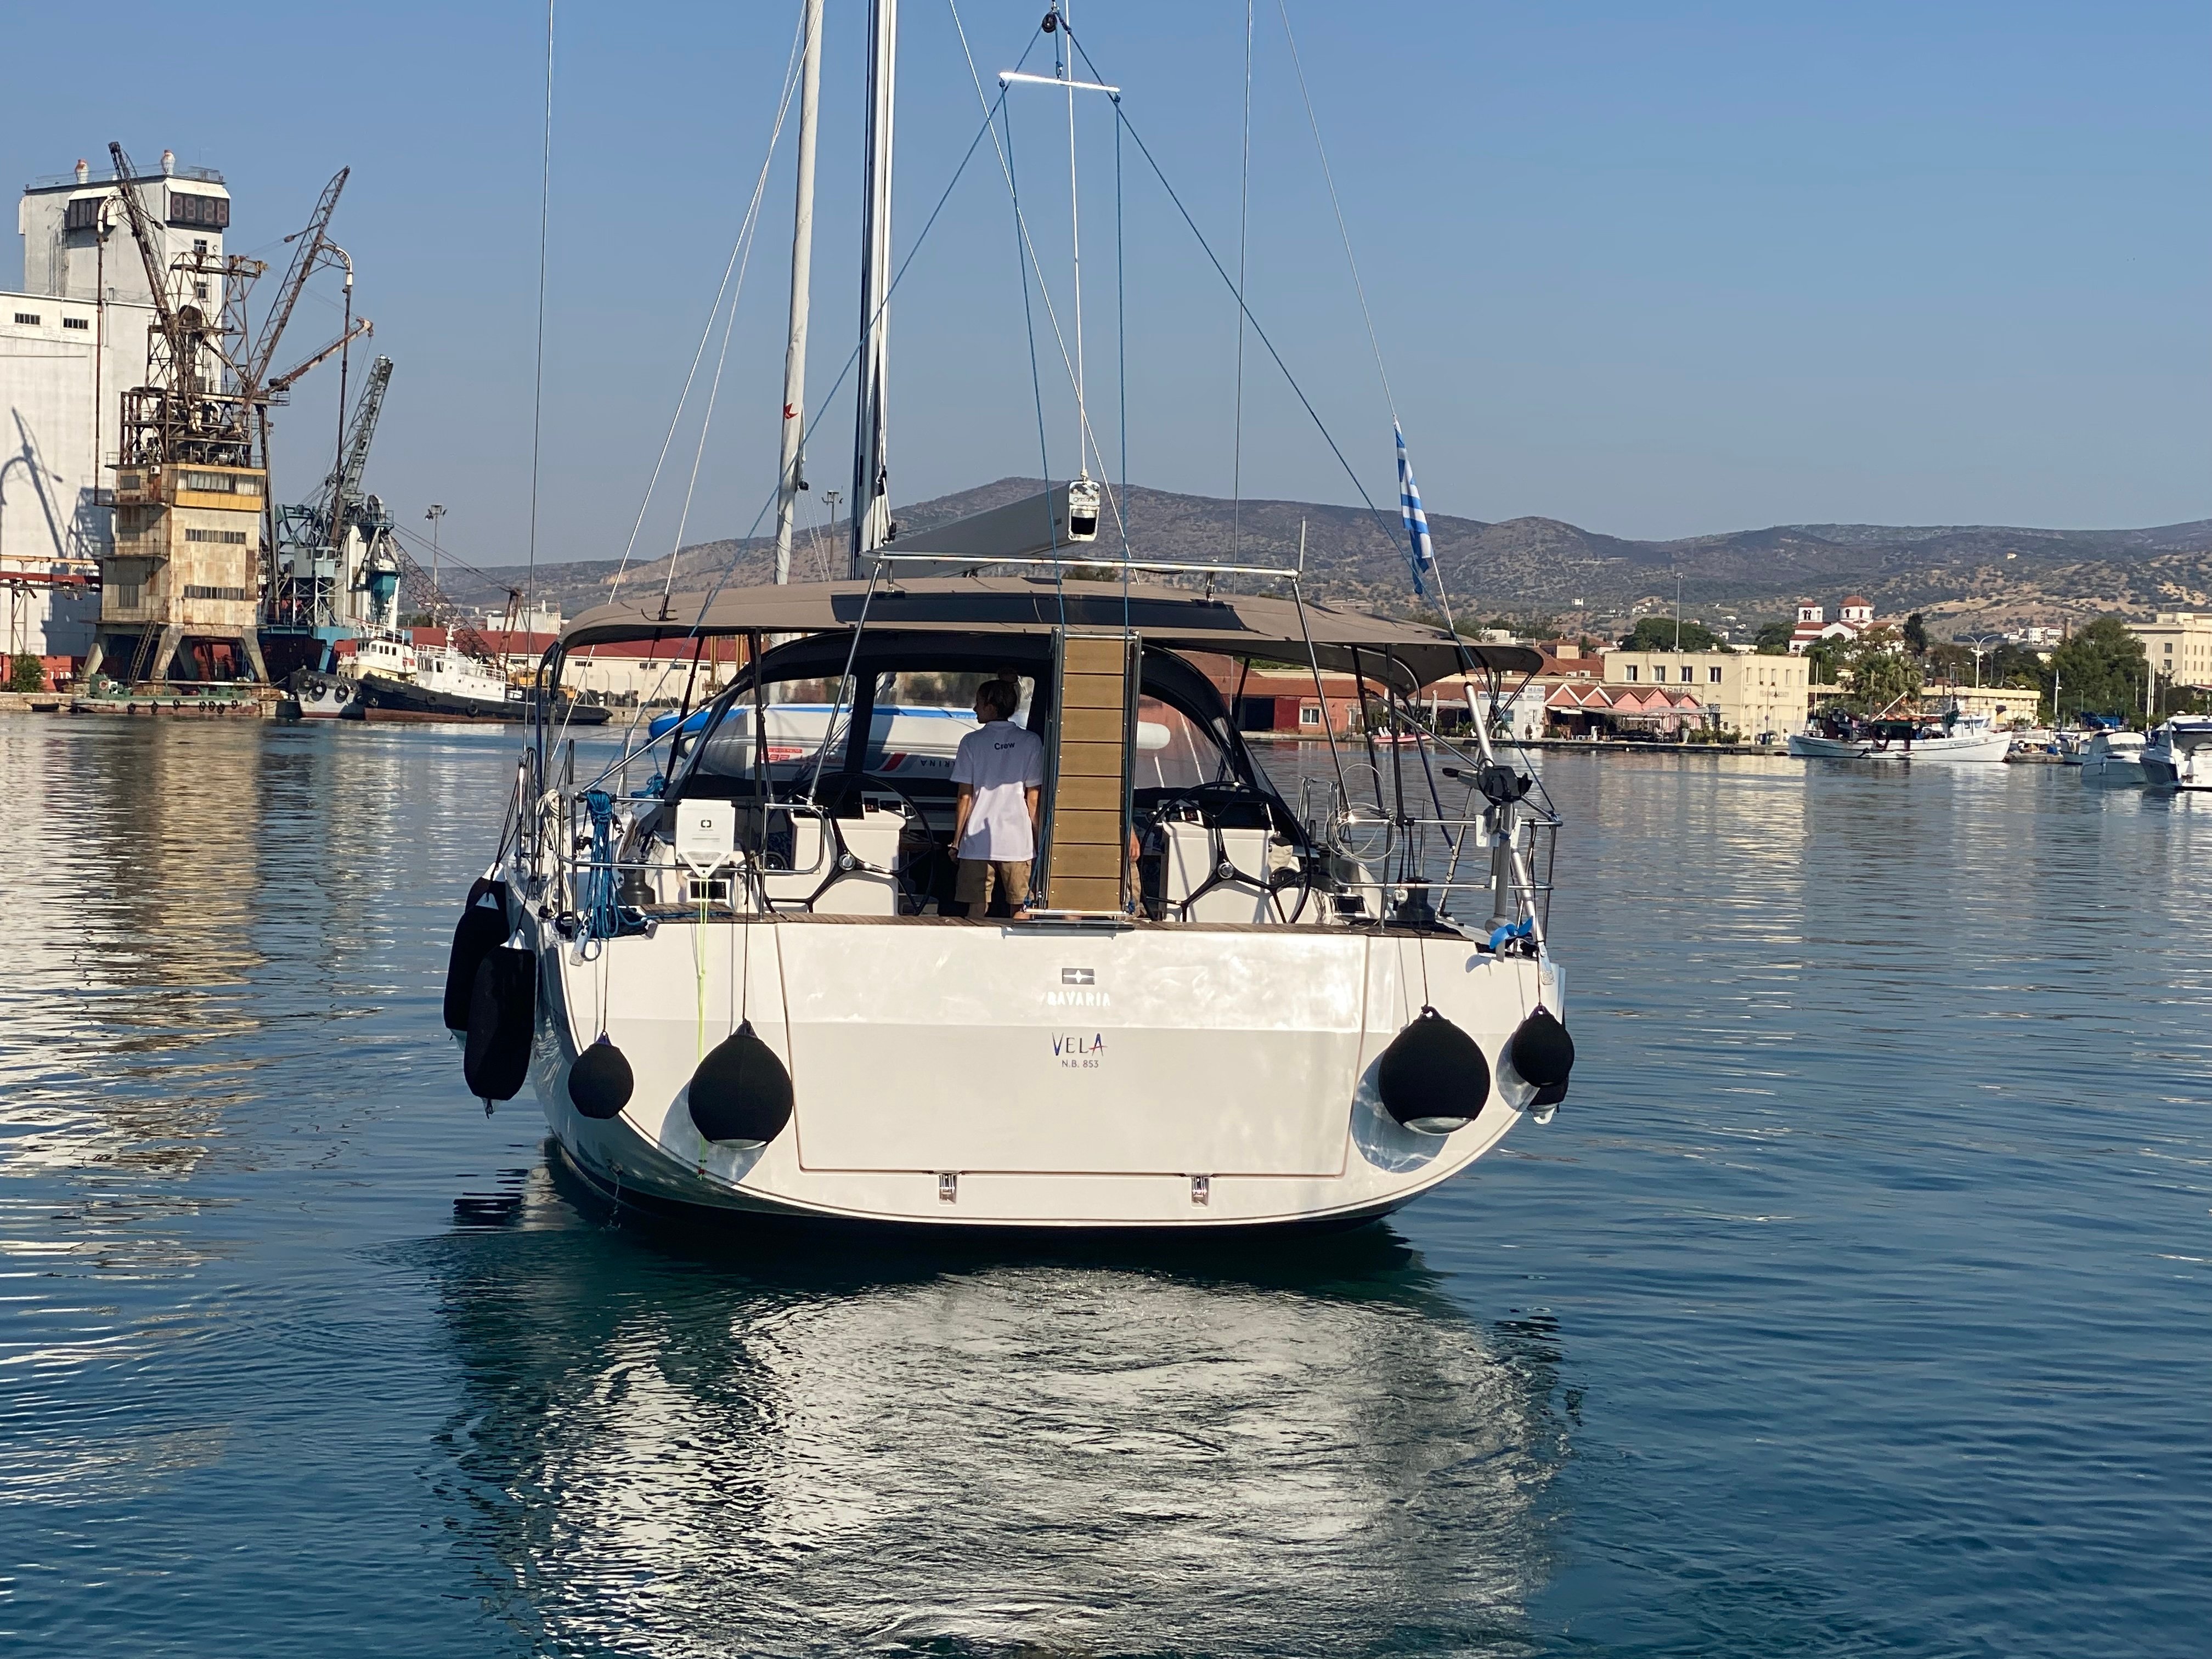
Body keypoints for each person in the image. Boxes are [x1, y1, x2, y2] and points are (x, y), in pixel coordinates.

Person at [950, 679, 1045, 917]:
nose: (975, 709)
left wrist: (956, 842)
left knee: (977, 907)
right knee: (1022, 906)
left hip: (977, 839)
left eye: (979, 704)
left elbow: (965, 796)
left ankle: (975, 952)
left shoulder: (971, 742)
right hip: (1017, 840)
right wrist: (1038, 839)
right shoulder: (1030, 741)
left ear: (991, 707)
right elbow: (1033, 797)